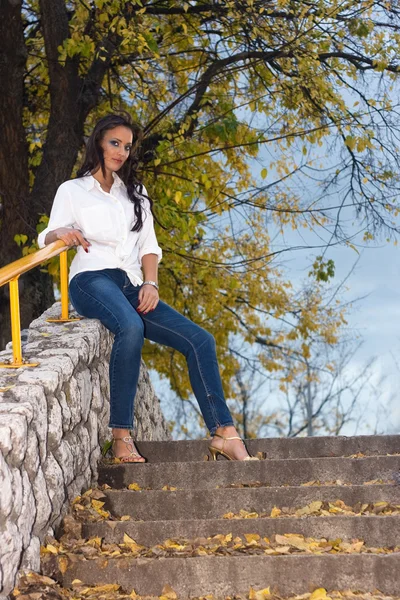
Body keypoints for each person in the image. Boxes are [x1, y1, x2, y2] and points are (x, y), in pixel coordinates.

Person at [38, 114, 261, 463]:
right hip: (91, 279)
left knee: (200, 340)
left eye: (127, 147)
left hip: (132, 283)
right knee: (130, 326)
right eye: (115, 143)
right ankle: (121, 436)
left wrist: (152, 283)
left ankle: (223, 431)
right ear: (98, 142)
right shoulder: (73, 190)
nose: (121, 152)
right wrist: (60, 234)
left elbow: (149, 246)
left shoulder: (136, 194)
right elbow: (47, 236)